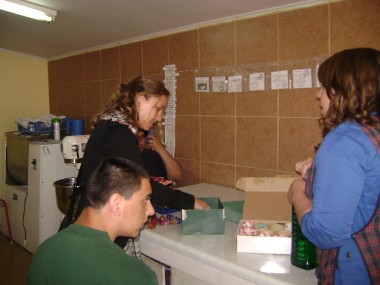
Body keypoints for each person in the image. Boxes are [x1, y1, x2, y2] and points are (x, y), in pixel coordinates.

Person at [74, 75, 209, 256]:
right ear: (140, 99)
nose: (160, 118)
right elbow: (141, 184)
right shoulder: (118, 133)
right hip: (98, 228)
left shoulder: (113, 126)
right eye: (158, 109)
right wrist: (191, 202)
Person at [288, 48, 380, 285]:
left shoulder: (345, 139)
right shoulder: (372, 132)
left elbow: (326, 233)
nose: (318, 95)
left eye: (325, 86)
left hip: (355, 271)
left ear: (344, 91)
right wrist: (317, 175)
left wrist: (298, 194)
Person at [28, 157, 158, 285]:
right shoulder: (136, 277)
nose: (151, 210)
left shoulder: (45, 251)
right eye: (145, 200)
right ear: (116, 203)